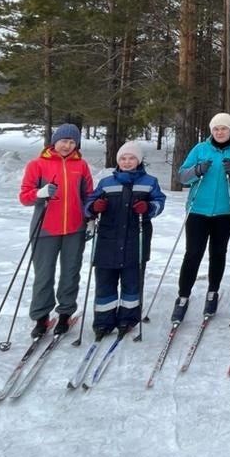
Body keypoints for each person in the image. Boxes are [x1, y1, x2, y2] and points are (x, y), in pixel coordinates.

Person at [173, 113, 230, 321]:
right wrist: (197, 170)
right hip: (198, 210)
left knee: (218, 253)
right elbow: (182, 176)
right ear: (211, 131)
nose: (219, 132)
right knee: (193, 253)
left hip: (226, 211)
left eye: (223, 128)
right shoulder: (200, 149)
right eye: (216, 129)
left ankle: (213, 291)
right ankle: (183, 296)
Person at [18, 123, 94, 337]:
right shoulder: (37, 164)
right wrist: (39, 193)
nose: (67, 146)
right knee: (44, 275)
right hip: (45, 229)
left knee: (70, 273)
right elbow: (24, 197)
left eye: (72, 142)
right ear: (55, 141)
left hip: (74, 229)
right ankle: (41, 317)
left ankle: (64, 314)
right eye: (63, 141)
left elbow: (89, 195)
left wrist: (90, 218)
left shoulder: (81, 166)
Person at [85, 141, 166, 337]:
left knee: (132, 282)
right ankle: (103, 321)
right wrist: (95, 207)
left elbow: (159, 202)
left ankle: (128, 319)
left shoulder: (149, 182)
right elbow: (89, 203)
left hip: (135, 240)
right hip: (107, 240)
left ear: (138, 161)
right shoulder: (106, 183)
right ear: (118, 161)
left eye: (131, 158)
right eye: (123, 158)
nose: (127, 162)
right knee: (105, 282)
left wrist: (148, 208)